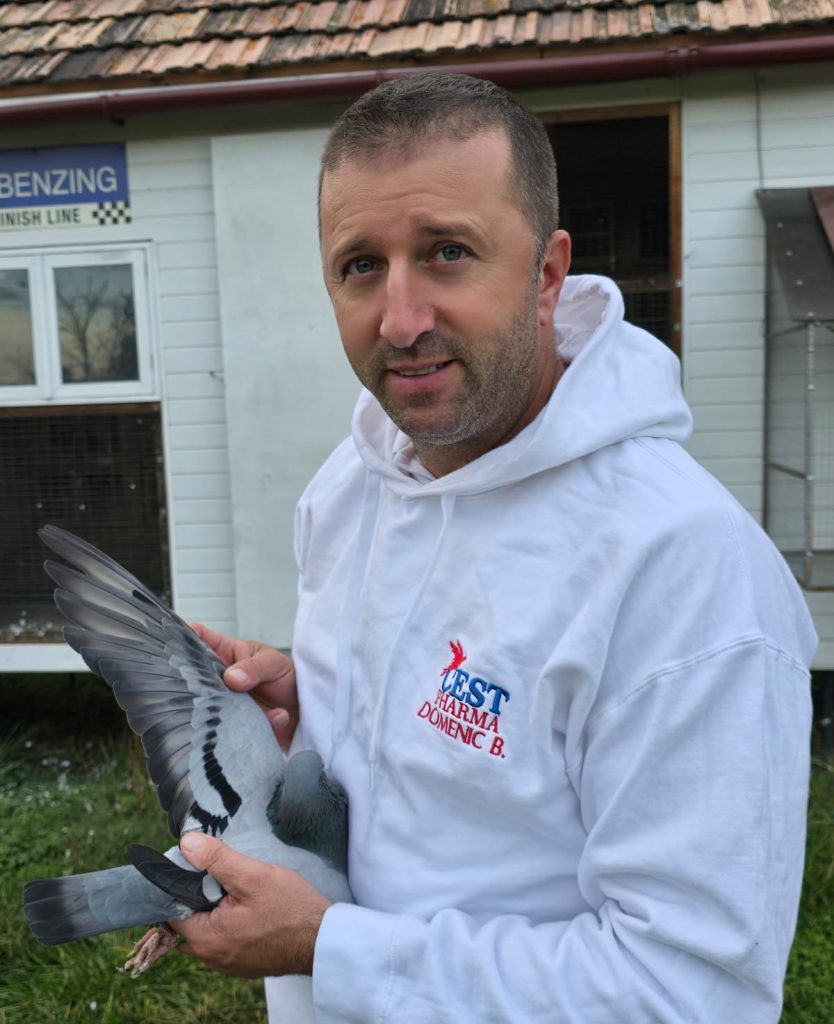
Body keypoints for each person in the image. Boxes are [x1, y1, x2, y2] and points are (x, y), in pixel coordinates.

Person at [169, 72, 817, 1023]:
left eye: (447, 252)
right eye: (361, 265)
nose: (400, 320)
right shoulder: (350, 488)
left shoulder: (682, 570)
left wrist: (329, 947)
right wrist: (322, 709)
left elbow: (690, 991)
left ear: (547, 272)